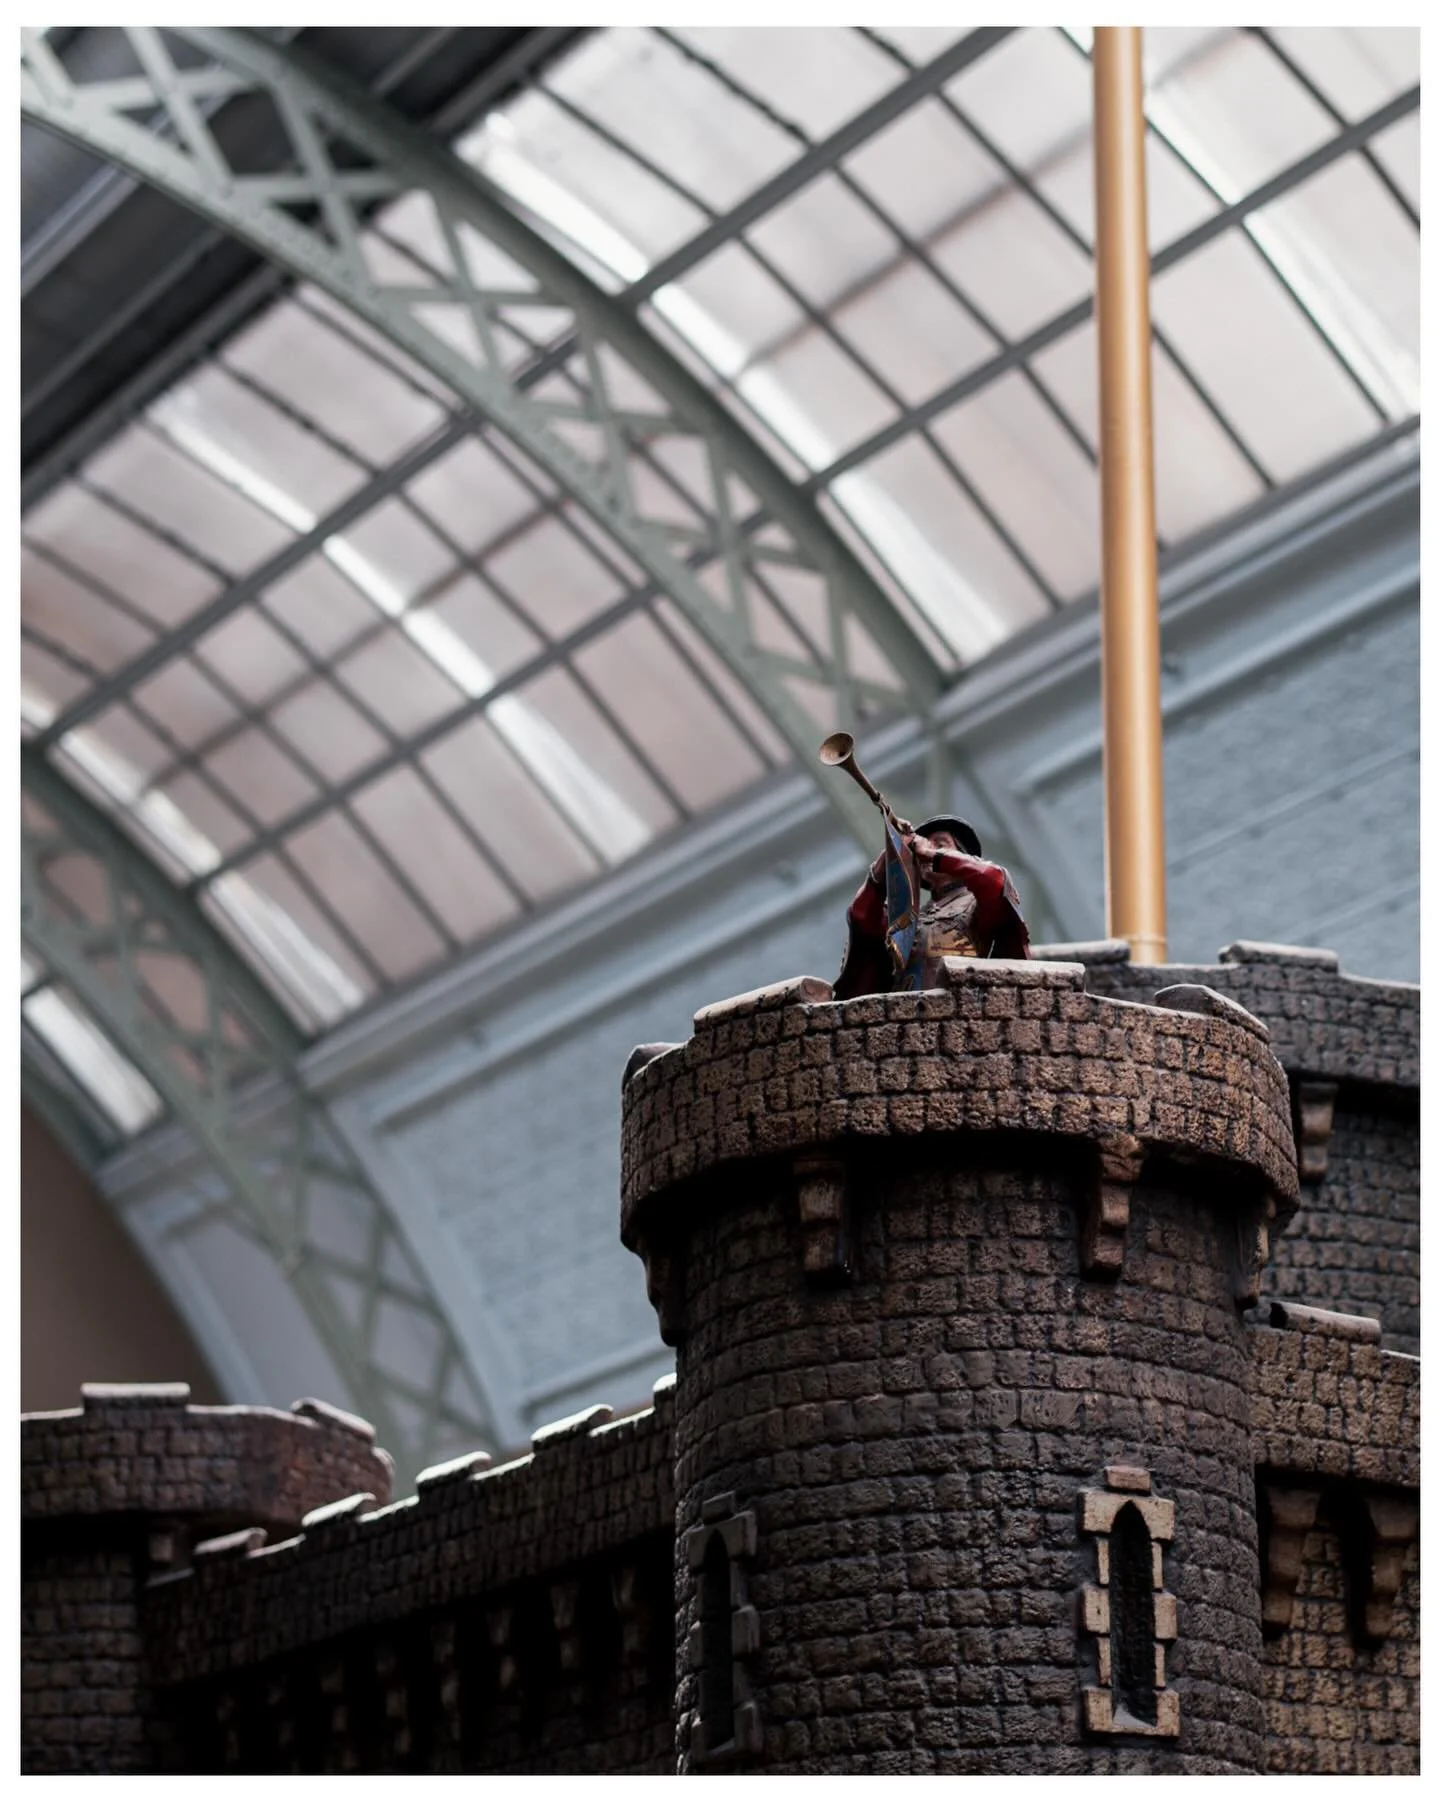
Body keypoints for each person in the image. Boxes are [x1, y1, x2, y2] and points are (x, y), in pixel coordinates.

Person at [834, 812, 1031, 999]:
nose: (927, 848)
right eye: (925, 844)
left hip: (957, 1012)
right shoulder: (909, 916)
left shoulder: (976, 904)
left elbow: (995, 880)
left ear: (962, 854)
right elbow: (861, 916)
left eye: (941, 843)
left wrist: (931, 853)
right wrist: (890, 855)